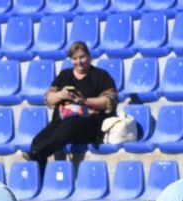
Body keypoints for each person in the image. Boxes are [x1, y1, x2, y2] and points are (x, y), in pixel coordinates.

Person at [29, 41, 118, 175]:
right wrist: (61, 94)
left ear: (89, 56)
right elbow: (48, 98)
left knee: (70, 125)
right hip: (60, 122)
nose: (79, 62)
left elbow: (109, 100)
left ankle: (39, 152)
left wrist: (85, 101)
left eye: (82, 57)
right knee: (37, 141)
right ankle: (39, 176)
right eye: (74, 58)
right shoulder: (65, 75)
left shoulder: (101, 75)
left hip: (89, 123)